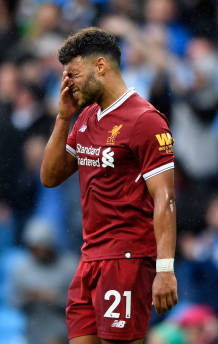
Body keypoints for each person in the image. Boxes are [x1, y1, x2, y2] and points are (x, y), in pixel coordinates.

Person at [40, 27, 178, 343]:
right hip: (90, 258)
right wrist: (63, 118)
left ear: (100, 67)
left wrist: (165, 269)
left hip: (127, 259)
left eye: (72, 74)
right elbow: (49, 177)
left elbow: (165, 198)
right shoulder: (87, 116)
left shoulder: (145, 120)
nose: (67, 82)